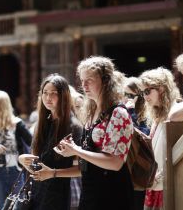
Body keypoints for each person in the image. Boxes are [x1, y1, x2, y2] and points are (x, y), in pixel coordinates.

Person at [54, 56, 135, 210]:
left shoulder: (118, 113)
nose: (83, 85)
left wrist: (77, 150)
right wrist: (72, 151)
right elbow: (90, 157)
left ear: (105, 81)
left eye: (89, 80)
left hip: (112, 192)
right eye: (82, 80)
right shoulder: (92, 112)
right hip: (91, 190)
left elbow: (115, 162)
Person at [19, 74, 83, 210]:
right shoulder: (42, 123)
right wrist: (22, 158)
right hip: (34, 191)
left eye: (53, 93)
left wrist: (53, 172)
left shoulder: (74, 127)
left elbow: (82, 169)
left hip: (57, 195)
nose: (48, 98)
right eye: (45, 93)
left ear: (63, 96)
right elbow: (36, 157)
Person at [139, 67, 182, 210]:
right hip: (155, 184)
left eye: (147, 91)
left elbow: (182, 152)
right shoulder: (157, 115)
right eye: (142, 92)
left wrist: (160, 176)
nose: (145, 97)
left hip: (169, 185)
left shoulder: (178, 113)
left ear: (162, 89)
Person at [0, 90, 32, 210]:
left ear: (2, 105)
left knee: (18, 207)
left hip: (15, 172)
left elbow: (32, 142)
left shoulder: (17, 123)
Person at [123, 77, 150, 210]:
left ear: (139, 96)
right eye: (123, 94)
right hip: (122, 167)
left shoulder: (145, 114)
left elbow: (142, 137)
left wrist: (131, 112)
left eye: (129, 95)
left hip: (138, 168)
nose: (125, 98)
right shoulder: (119, 110)